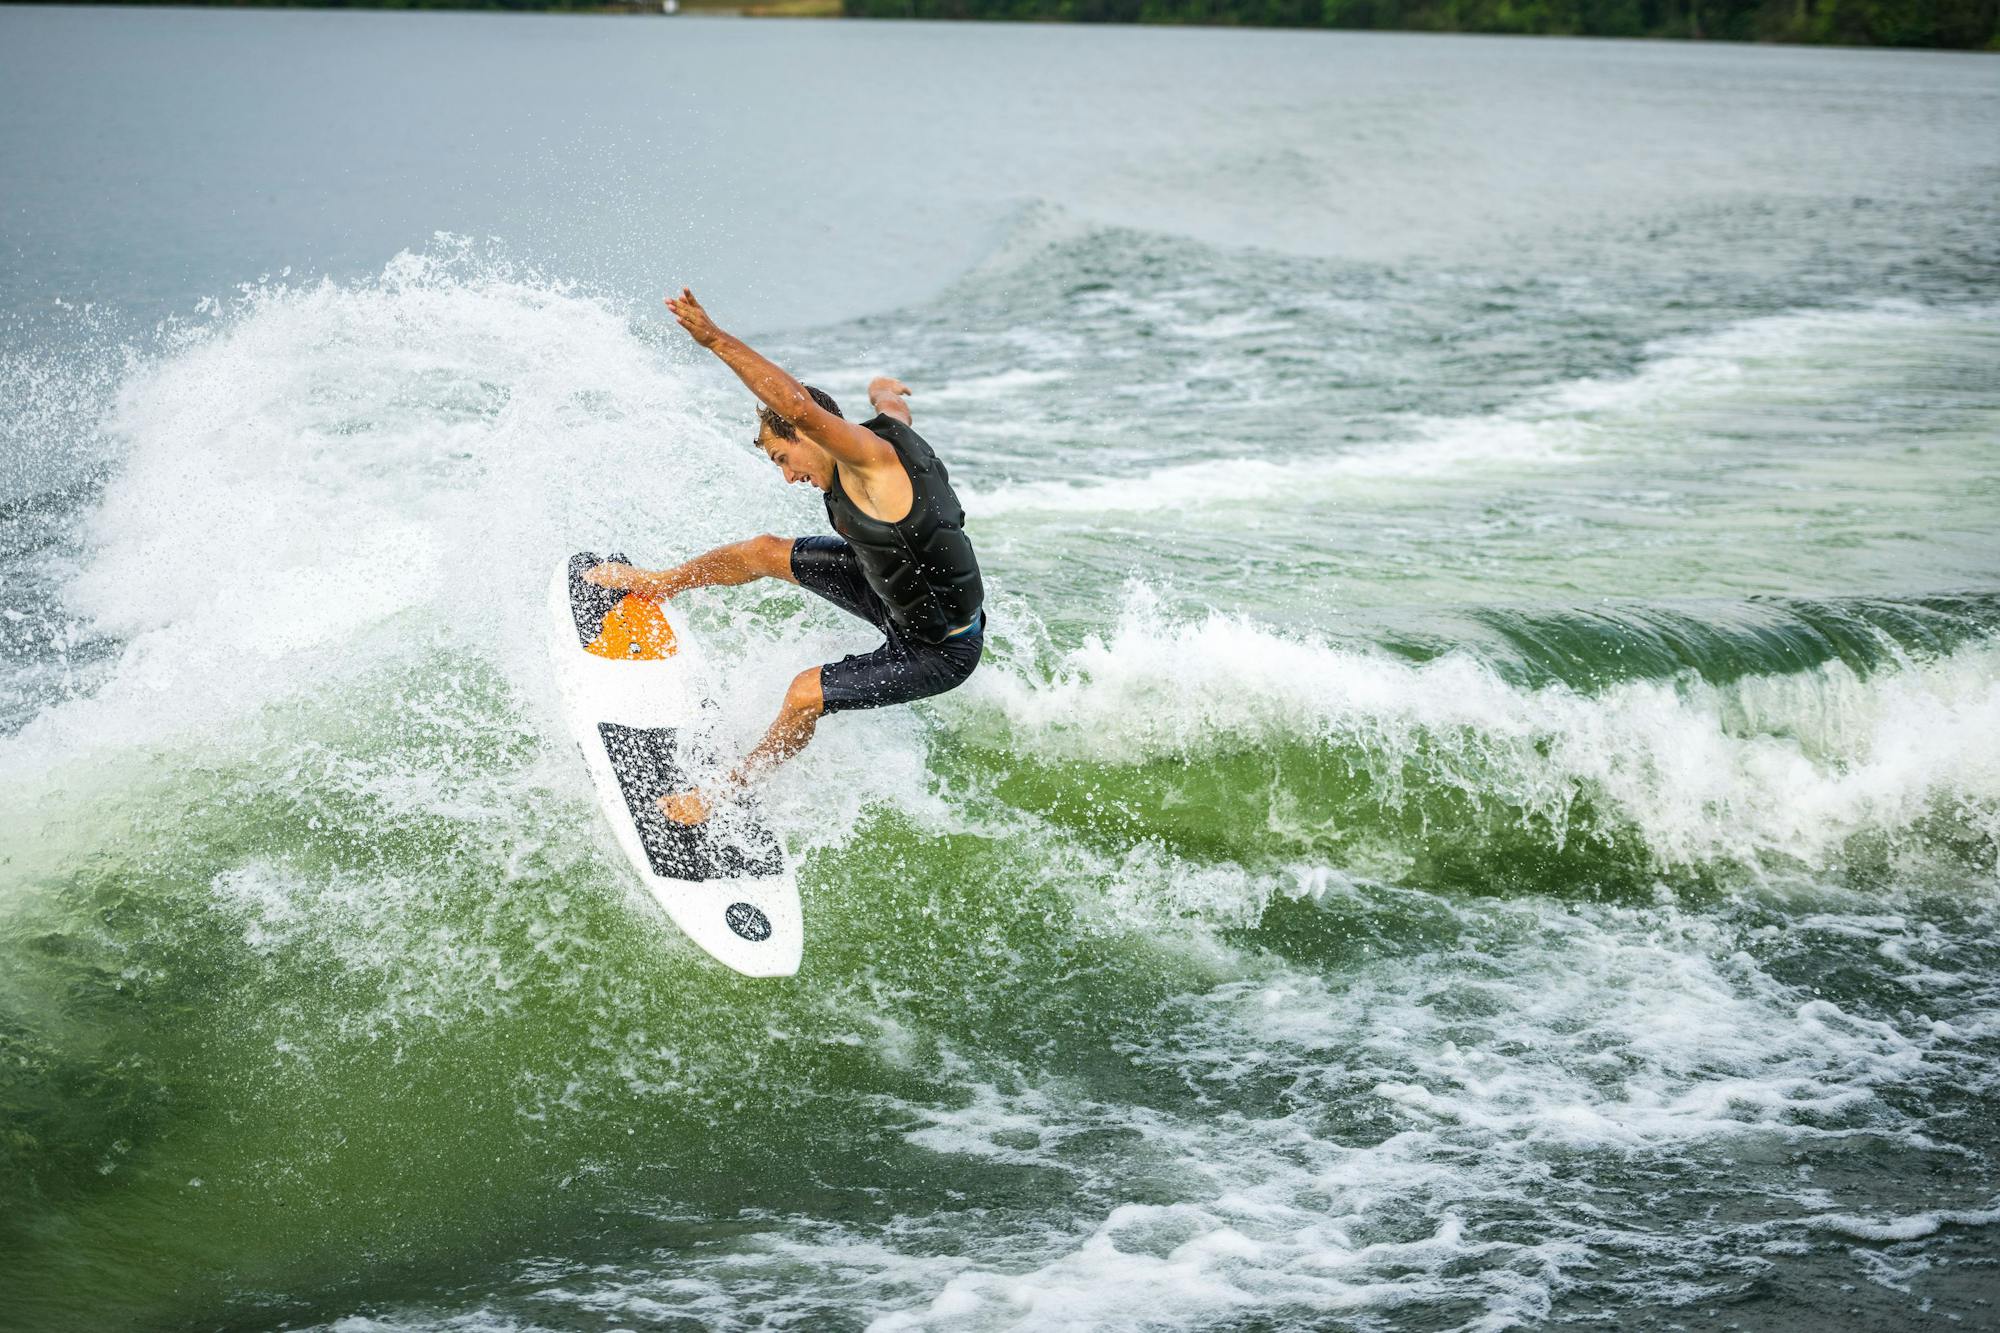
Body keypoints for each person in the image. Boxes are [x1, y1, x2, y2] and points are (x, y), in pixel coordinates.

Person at [585, 289, 986, 826]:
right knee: (763, 552)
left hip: (938, 648)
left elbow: (795, 404)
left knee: (803, 693)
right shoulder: (881, 438)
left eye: (783, 457)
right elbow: (893, 411)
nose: (788, 475)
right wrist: (882, 390)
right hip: (891, 591)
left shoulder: (873, 465)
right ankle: (659, 583)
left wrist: (713, 339)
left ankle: (726, 794)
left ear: (811, 432)